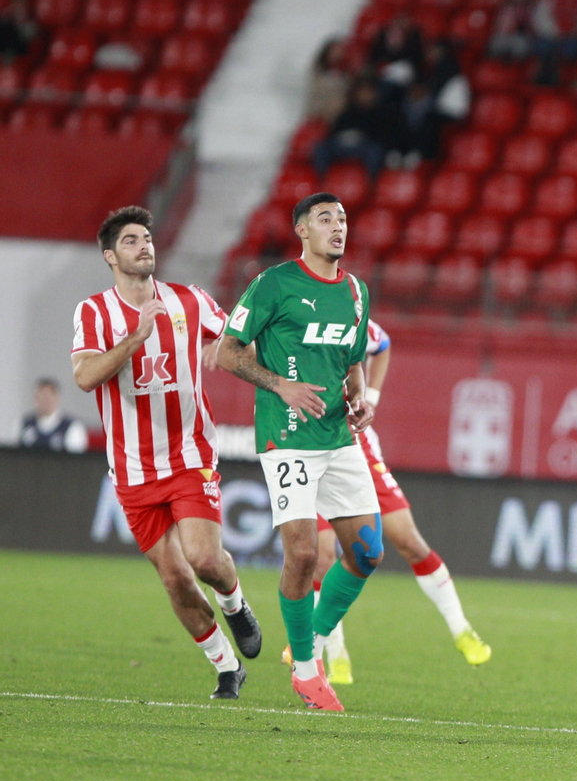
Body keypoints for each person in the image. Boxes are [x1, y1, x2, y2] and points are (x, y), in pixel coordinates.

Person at [70, 206, 261, 699]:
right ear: (110, 255)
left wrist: (232, 355)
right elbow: (87, 376)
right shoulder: (94, 312)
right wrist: (135, 337)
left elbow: (238, 343)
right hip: (133, 470)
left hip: (189, 455)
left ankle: (236, 604)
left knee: (202, 558)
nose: (145, 246)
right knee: (175, 579)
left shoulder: (190, 301)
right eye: (132, 241)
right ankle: (226, 667)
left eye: (148, 238)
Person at [216, 193, 384, 712]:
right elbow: (226, 352)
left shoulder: (356, 291)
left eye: (343, 219)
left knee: (367, 551)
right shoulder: (274, 284)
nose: (338, 227)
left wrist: (358, 397)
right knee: (305, 553)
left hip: (337, 436)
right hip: (286, 435)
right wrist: (280, 386)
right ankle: (308, 672)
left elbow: (352, 359)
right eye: (325, 219)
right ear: (302, 232)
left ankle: (303, 641)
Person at [278, 319, 491, 683]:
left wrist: (370, 397)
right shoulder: (284, 310)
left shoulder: (348, 308)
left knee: (409, 542)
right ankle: (334, 655)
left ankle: (461, 629)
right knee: (322, 558)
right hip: (306, 445)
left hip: (355, 446)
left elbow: (383, 343)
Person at [18, 377, 88, 452]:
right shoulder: (24, 424)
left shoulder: (72, 427)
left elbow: (77, 460)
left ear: (57, 398)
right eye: (40, 397)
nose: (44, 401)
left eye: (48, 397)